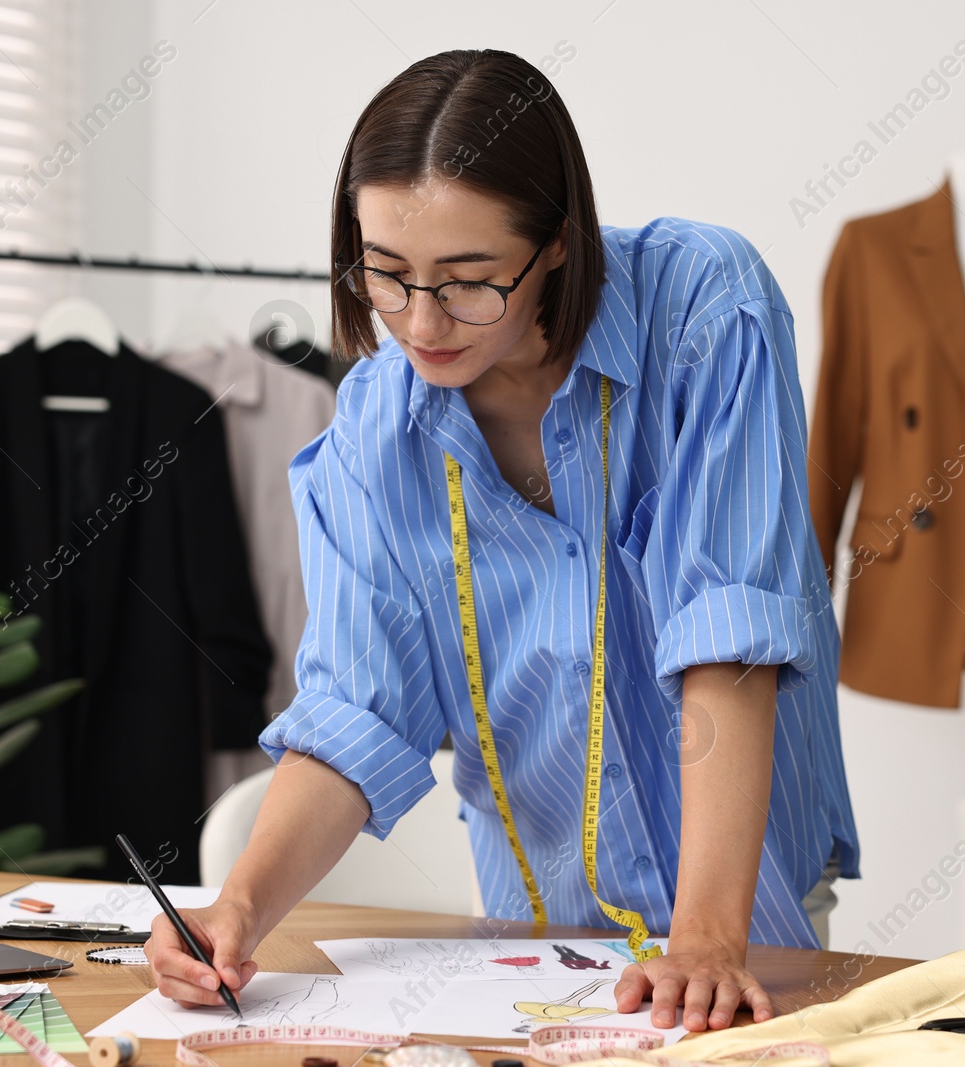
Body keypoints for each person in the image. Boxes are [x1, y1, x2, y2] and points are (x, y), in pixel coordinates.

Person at [147, 47, 858, 1033]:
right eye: (385, 275)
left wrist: (705, 935)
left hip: (745, 914)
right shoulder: (373, 429)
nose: (420, 322)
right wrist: (238, 906)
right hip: (540, 946)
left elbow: (727, 627)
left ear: (556, 242)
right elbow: (357, 707)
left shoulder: (701, 305)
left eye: (469, 280)